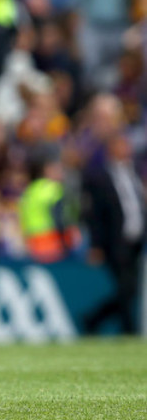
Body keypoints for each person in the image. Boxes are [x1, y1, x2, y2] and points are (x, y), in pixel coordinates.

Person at [82, 133, 146, 334]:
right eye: (121, 145)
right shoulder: (98, 176)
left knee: (129, 289)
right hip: (115, 241)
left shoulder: (134, 172)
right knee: (127, 288)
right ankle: (127, 330)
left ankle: (93, 320)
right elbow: (93, 214)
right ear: (111, 149)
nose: (126, 149)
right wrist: (95, 244)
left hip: (135, 240)